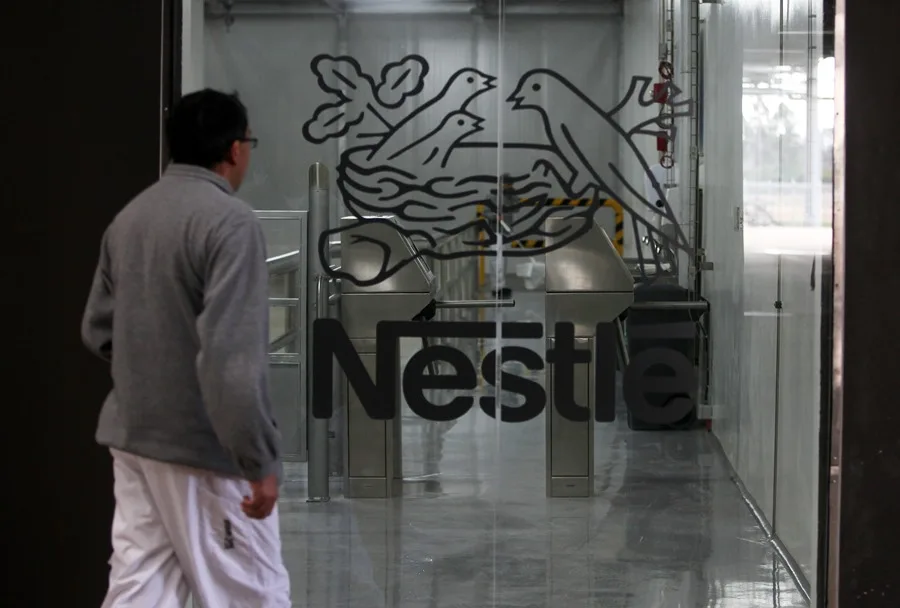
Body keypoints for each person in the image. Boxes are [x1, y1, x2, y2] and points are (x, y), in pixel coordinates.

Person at [82, 89, 291, 607]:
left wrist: (155, 370)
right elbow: (231, 363)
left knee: (140, 591)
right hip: (205, 450)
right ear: (235, 149)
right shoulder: (230, 222)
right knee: (250, 593)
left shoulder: (130, 217)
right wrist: (257, 459)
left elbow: (98, 331)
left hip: (134, 440)